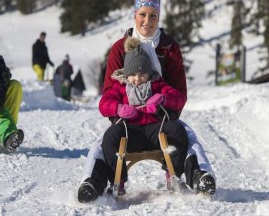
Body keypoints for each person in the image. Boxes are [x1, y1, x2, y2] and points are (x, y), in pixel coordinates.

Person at [78, 0, 216, 201]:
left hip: (160, 120)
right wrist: (118, 111)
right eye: (142, 14)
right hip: (128, 122)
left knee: (186, 136)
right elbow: (109, 95)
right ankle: (93, 183)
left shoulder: (169, 48)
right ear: (135, 15)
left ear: (159, 17)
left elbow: (179, 93)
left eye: (153, 15)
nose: (147, 20)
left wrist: (163, 102)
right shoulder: (119, 49)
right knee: (104, 142)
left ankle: (198, 175)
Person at [78, 37, 189, 202]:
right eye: (133, 75)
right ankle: (118, 179)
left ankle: (173, 175)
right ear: (126, 74)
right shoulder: (120, 86)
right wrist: (118, 109)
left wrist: (162, 99)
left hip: (155, 130)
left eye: (143, 74)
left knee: (177, 130)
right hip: (130, 133)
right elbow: (104, 104)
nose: (137, 79)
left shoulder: (157, 84)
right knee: (111, 136)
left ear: (149, 73)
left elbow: (178, 97)